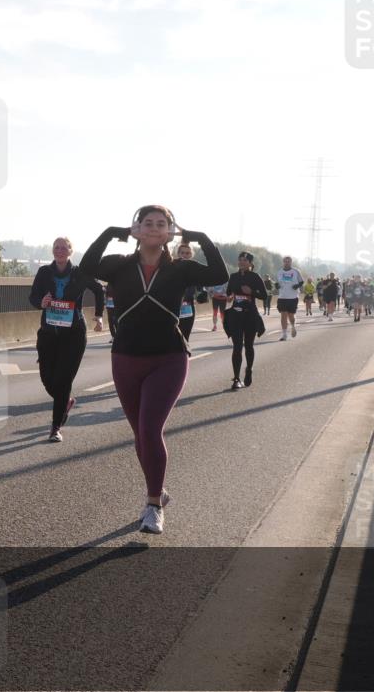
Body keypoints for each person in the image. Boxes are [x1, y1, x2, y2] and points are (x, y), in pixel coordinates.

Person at [80, 205, 228, 534]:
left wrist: (199, 237)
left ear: (170, 232)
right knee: (139, 436)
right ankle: (158, 489)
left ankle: (152, 505)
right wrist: (110, 233)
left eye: (161, 224)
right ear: (137, 229)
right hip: (126, 357)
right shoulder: (118, 266)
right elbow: (85, 268)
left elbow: (219, 275)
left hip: (169, 358)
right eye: (147, 223)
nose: (153, 228)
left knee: (150, 430)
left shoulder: (181, 270)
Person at [29, 237, 105, 442]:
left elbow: (99, 290)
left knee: (62, 380)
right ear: (52, 251)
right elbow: (33, 296)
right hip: (48, 333)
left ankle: (55, 427)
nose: (60, 251)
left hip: (74, 334)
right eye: (56, 248)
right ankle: (66, 401)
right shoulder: (44, 272)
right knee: (48, 380)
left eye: (64, 248)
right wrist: (41, 303)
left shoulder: (79, 273)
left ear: (71, 251)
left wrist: (99, 316)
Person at [223, 252, 266, 389]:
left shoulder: (255, 277)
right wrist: (229, 297)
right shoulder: (233, 277)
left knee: (248, 346)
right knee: (236, 347)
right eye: (240, 259)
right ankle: (236, 378)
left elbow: (264, 296)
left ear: (250, 263)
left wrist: (251, 292)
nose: (242, 262)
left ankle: (249, 370)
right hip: (236, 315)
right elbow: (229, 292)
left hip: (250, 315)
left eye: (245, 260)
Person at [275, 256, 304, 340]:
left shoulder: (296, 271)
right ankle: (284, 335)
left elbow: (301, 281)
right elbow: (277, 283)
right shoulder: (279, 272)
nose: (286, 263)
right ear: (283, 262)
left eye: (288, 261)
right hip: (282, 297)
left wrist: (297, 286)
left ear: (291, 262)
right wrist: (276, 286)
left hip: (293, 297)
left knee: (291, 316)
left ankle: (293, 326)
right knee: (283, 315)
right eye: (285, 261)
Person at [175, 242, 198, 342]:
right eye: (182, 253)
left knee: (185, 338)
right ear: (178, 254)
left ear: (191, 255)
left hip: (188, 307)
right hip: (173, 307)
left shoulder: (195, 269)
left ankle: (183, 357)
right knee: (172, 338)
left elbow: (201, 286)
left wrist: (202, 293)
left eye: (188, 253)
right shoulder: (171, 268)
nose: (185, 255)